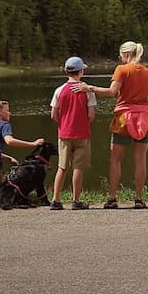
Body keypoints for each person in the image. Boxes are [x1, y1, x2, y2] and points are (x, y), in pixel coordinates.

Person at [76, 41, 148, 209]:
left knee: (115, 160)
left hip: (123, 119)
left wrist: (89, 87)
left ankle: (113, 198)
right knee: (141, 160)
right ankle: (139, 198)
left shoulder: (122, 70)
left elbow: (111, 92)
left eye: (120, 55)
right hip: (144, 118)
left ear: (126, 54)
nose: (120, 58)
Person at [49, 57, 97, 210]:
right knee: (78, 168)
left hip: (64, 134)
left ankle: (56, 200)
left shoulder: (59, 90)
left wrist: (64, 124)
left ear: (66, 71)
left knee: (62, 167)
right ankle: (76, 201)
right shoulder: (87, 90)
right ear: (81, 71)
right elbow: (91, 116)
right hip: (82, 135)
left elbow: (53, 115)